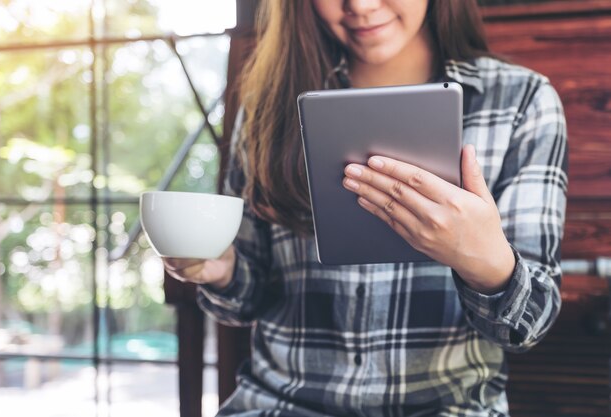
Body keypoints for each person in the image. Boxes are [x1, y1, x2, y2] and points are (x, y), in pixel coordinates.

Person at [163, 0, 568, 415]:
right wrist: (221, 269)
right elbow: (249, 296)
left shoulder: (522, 101)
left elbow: (527, 326)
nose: (359, 5)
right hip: (279, 405)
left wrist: (485, 261)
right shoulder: (269, 102)